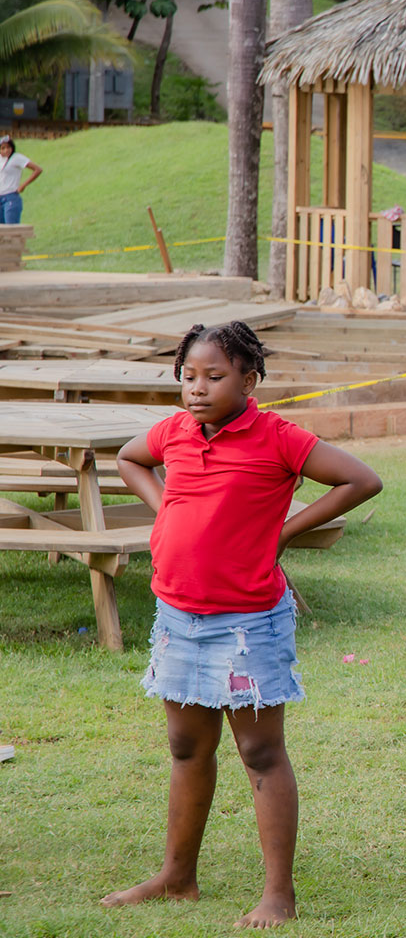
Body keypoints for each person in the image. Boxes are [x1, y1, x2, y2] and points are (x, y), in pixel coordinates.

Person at [104, 323, 383, 928]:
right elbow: (129, 458)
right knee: (185, 747)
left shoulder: (277, 437)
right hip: (178, 613)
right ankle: (177, 878)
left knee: (259, 752)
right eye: (188, 377)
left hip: (247, 622)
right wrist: (167, 507)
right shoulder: (175, 433)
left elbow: (362, 480)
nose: (197, 389)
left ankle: (278, 892)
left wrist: (283, 532)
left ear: (249, 381)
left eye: (214, 376)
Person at [0, 135, 43, 225]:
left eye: (8, 147)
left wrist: (23, 185)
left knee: (11, 230)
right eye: (3, 148)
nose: (6, 150)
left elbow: (38, 169)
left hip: (10, 196)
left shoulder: (16, 158)